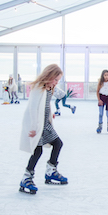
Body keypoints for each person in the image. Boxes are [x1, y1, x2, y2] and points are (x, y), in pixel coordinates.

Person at [19, 64, 68, 195]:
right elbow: (33, 108)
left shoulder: (49, 88)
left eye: (58, 80)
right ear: (49, 75)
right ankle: (26, 178)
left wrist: (50, 113)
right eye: (56, 79)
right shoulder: (38, 87)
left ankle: (50, 171)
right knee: (37, 151)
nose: (57, 82)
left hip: (45, 123)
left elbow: (45, 104)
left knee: (58, 143)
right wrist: (34, 127)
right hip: (37, 125)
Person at [96, 69, 108, 134]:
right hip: (102, 98)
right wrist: (99, 100)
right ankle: (99, 126)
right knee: (101, 113)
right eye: (105, 75)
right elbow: (97, 91)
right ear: (103, 76)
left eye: (107, 75)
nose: (106, 76)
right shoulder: (100, 82)